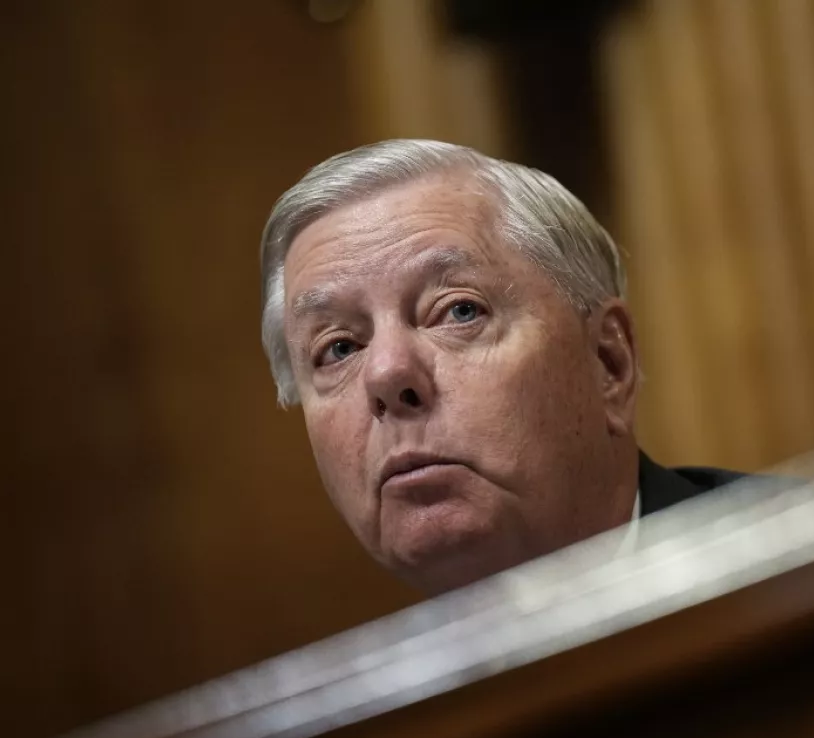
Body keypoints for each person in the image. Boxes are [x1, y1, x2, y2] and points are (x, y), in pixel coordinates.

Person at [260, 139, 745, 594]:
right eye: (340, 348)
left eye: (459, 311)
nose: (386, 374)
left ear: (608, 363)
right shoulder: (383, 683)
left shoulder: (801, 582)